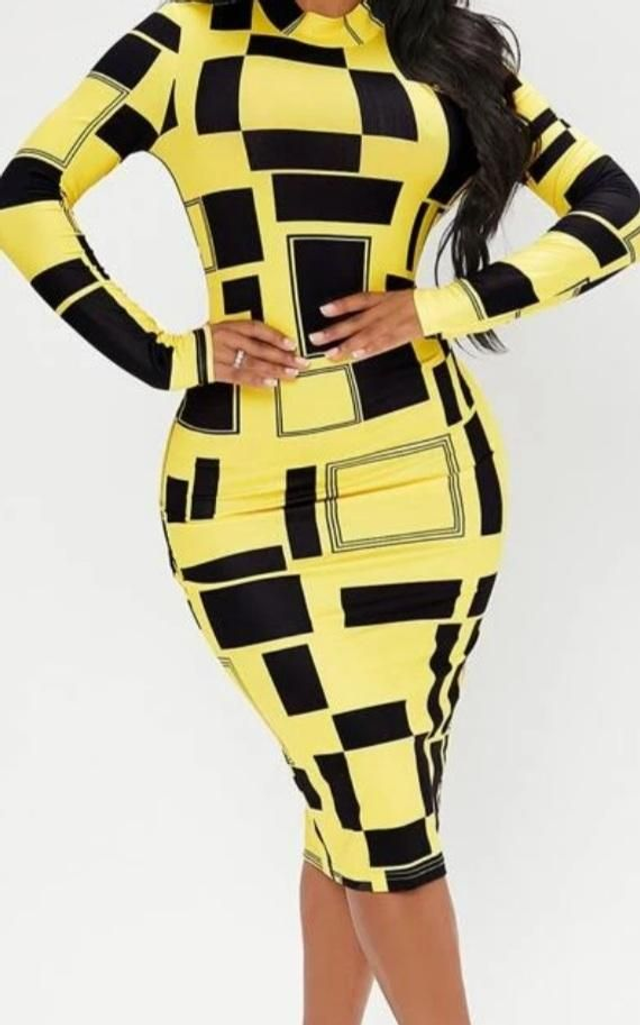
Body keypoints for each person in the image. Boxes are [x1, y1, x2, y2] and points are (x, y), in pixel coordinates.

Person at [1, 1, 637, 1022]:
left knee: (359, 805)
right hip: (241, 492)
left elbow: (616, 210)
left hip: (427, 479)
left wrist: (441, 306)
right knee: (374, 804)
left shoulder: (442, 50)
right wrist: (165, 352)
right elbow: (28, 189)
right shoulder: (186, 40)